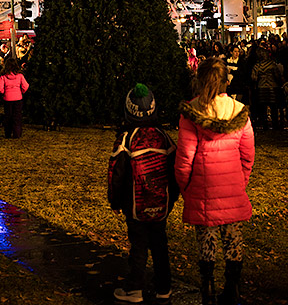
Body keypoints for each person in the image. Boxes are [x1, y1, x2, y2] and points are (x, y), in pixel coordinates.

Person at [174, 57, 255, 305]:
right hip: (232, 185)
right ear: (225, 82)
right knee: (233, 240)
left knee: (206, 242)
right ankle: (233, 289)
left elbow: (185, 157)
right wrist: (240, 181)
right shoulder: (239, 111)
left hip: (202, 186)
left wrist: (185, 187)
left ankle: (207, 288)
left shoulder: (192, 112)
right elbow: (247, 154)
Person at [108, 84, 179, 305]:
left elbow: (116, 174)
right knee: (160, 245)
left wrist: (115, 201)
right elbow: (175, 170)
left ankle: (134, 288)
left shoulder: (127, 139)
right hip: (161, 204)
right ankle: (163, 287)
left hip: (135, 205)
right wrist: (173, 198)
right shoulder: (164, 137)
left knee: (138, 246)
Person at [0, 58, 29, 139]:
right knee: (17, 117)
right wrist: (21, 91)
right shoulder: (20, 76)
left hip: (7, 98)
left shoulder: (3, 77)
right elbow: (26, 86)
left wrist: (4, 92)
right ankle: (17, 133)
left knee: (8, 117)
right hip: (18, 98)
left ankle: (8, 133)